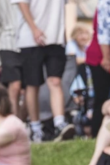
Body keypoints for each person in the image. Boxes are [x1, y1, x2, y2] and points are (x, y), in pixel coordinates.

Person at [13, 0, 75, 141]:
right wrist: (34, 28)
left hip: (56, 38)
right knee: (32, 84)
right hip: (29, 39)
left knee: (55, 81)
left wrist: (63, 34)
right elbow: (22, 4)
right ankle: (36, 128)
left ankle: (59, 124)